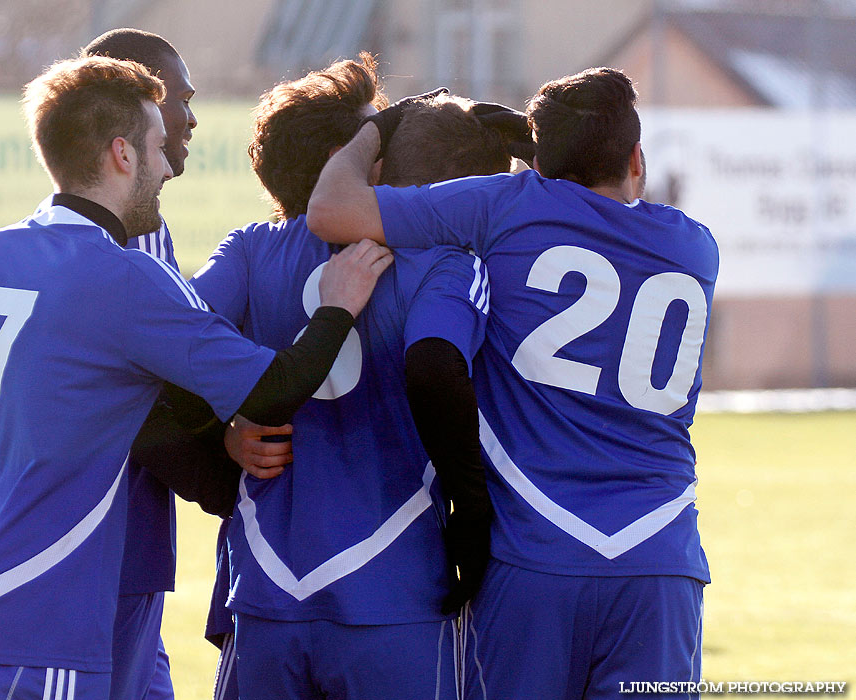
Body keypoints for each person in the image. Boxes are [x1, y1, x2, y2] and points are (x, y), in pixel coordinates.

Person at [0, 55, 392, 700]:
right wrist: (338, 304)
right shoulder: (124, 277)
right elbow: (276, 391)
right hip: (44, 616)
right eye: (156, 148)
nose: (168, 166)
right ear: (122, 154)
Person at [307, 67, 717, 700]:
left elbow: (330, 210)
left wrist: (379, 129)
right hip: (659, 556)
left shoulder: (504, 206)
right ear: (637, 158)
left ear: (541, 164)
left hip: (532, 550)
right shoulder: (695, 247)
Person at [190, 60, 519, 700]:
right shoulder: (438, 258)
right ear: (358, 165)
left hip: (268, 589)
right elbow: (439, 364)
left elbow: (161, 354)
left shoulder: (250, 251)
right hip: (396, 585)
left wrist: (222, 432)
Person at [81, 28, 203, 700]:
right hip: (101, 548)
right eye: (179, 99)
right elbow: (150, 393)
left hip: (134, 545)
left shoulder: (145, 224)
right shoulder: (108, 239)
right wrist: (225, 477)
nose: (190, 117)